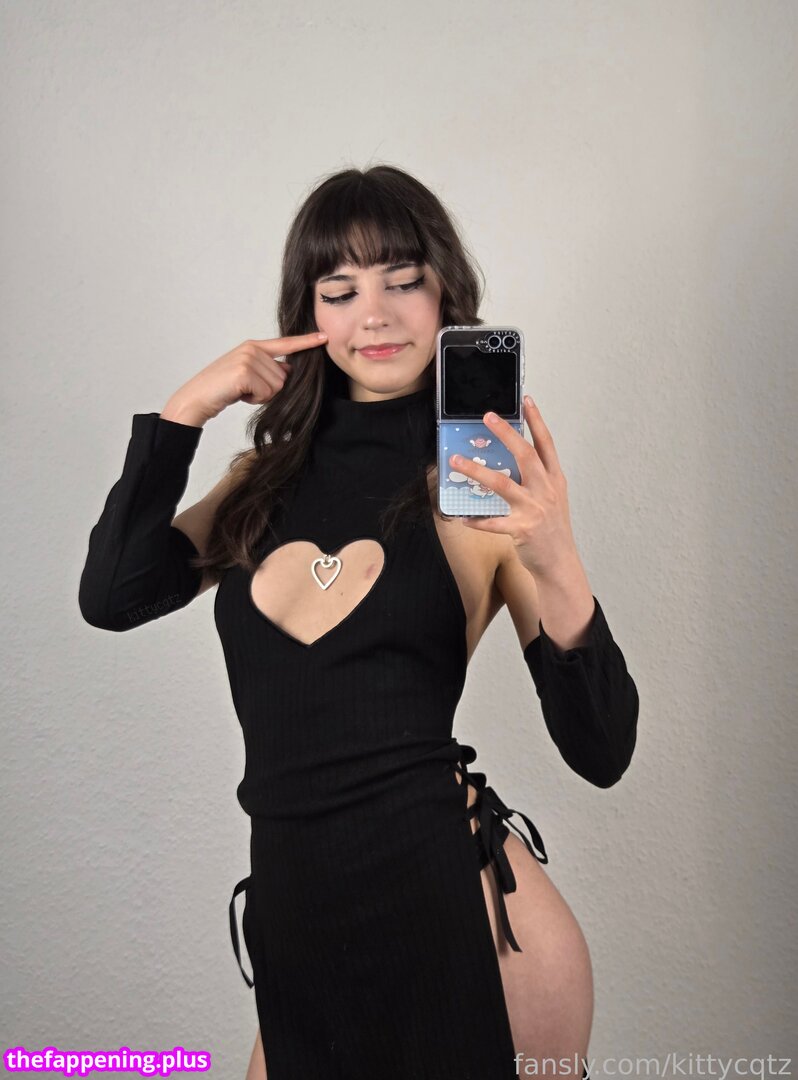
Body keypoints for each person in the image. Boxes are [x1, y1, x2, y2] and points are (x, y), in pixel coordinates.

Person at [78, 164, 639, 1080]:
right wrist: (185, 412)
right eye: (339, 291)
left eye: (403, 281)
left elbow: (602, 749)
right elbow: (112, 597)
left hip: (471, 924)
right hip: (301, 922)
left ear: (447, 293)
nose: (373, 315)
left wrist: (558, 558)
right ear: (308, 314)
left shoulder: (481, 493)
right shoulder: (258, 484)